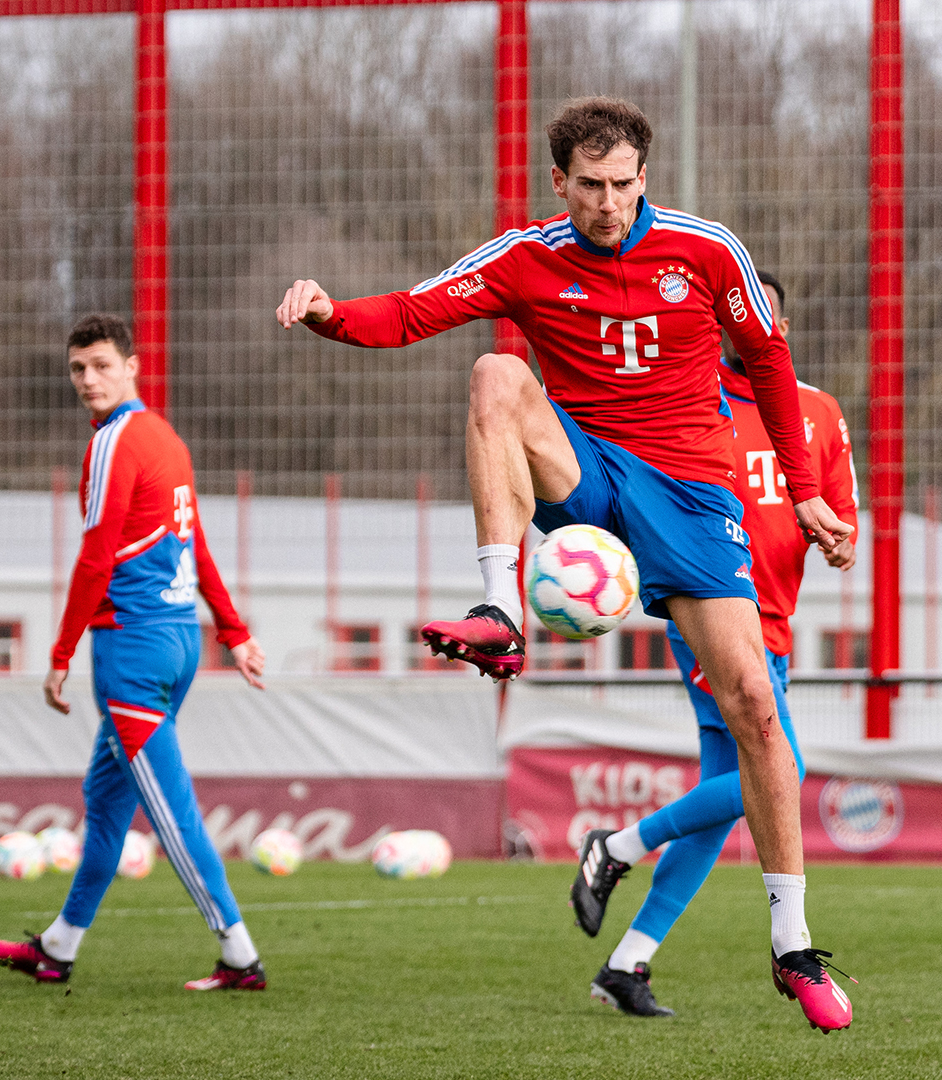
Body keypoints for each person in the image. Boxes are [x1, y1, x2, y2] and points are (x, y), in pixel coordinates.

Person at [276, 98, 856, 1032]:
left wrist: (806, 490)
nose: (609, 203)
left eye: (624, 184)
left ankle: (792, 946)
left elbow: (772, 364)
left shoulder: (708, 251)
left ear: (644, 177)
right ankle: (500, 613)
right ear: (560, 182)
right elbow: (416, 311)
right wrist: (330, 312)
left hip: (694, 495)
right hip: (586, 473)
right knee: (497, 376)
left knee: (756, 711)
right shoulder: (525, 256)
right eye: (590, 186)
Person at [578, 271, 858, 1019]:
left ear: (783, 328)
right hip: (710, 616)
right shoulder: (688, 407)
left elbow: (837, 508)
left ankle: (627, 961)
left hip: (777, 625)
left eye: (765, 315)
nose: (748, 326)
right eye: (738, 314)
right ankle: (620, 847)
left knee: (726, 799)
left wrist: (837, 539)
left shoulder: (820, 413)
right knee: (781, 771)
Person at [0, 314, 271, 990]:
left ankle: (240, 955)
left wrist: (59, 653)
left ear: (133, 365)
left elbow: (96, 556)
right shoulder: (165, 439)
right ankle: (58, 947)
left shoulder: (116, 441)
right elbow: (193, 542)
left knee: (171, 815)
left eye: (101, 366)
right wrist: (233, 631)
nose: (89, 380)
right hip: (175, 642)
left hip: (134, 651)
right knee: (105, 801)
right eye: (78, 369)